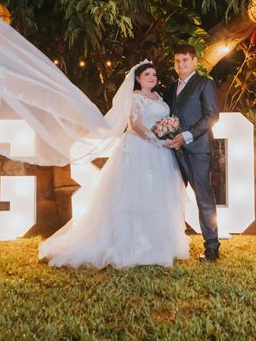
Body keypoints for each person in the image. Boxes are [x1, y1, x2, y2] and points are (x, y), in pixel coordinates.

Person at [38, 61, 190, 269]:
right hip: (139, 149)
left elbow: (163, 122)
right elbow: (135, 125)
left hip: (161, 153)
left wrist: (166, 133)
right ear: (138, 78)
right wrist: (157, 140)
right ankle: (131, 244)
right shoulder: (135, 98)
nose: (152, 77)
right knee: (134, 194)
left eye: (154, 74)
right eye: (147, 74)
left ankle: (159, 242)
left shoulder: (160, 98)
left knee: (157, 193)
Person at [163, 45, 221, 261]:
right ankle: (172, 243)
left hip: (197, 150)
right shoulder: (169, 89)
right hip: (173, 153)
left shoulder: (204, 84)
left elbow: (212, 116)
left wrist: (186, 136)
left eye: (185, 60)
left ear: (195, 61)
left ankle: (212, 247)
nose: (181, 64)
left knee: (204, 198)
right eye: (177, 61)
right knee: (172, 198)